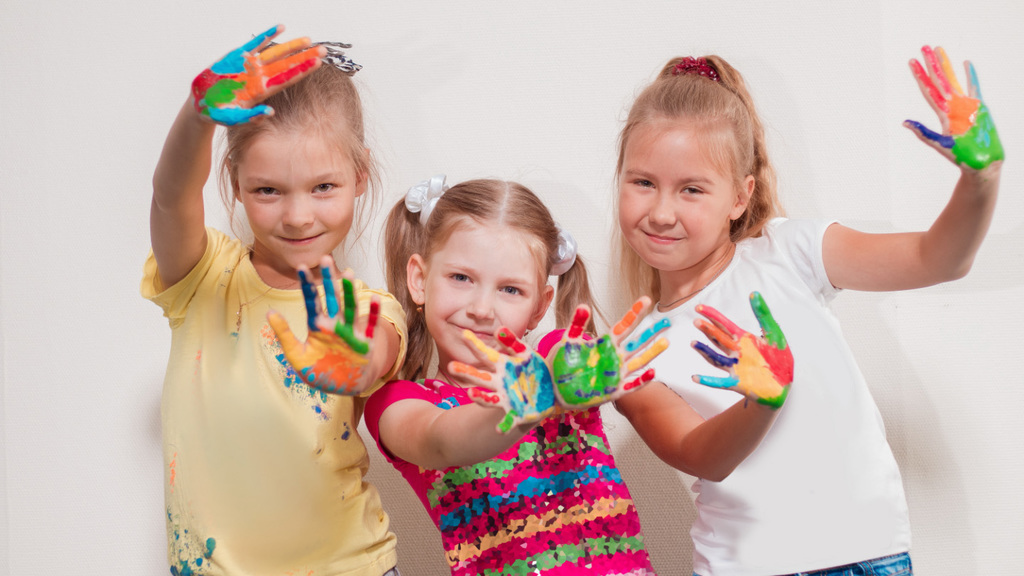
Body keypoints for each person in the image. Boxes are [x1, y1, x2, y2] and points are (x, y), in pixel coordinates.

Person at [611, 48, 1002, 576]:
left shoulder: (789, 252)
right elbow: (702, 456)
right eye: (643, 182)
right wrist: (762, 400)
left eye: (692, 189)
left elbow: (938, 259)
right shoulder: (630, 353)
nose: (661, 212)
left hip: (867, 554)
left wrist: (980, 180)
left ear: (740, 197)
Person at [142, 26, 406, 576]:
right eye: (268, 190)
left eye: (323, 187)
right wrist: (197, 117)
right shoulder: (203, 278)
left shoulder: (365, 308)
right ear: (235, 181)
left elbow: (374, 357)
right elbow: (170, 198)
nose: (298, 216)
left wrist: (356, 364)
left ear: (360, 176)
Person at [362, 176, 663, 575]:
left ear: (539, 307)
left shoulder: (555, 361)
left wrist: (570, 371)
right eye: (461, 278)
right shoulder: (399, 404)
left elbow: (565, 355)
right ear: (419, 279)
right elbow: (441, 441)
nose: (481, 309)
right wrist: (523, 405)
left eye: (510, 290)